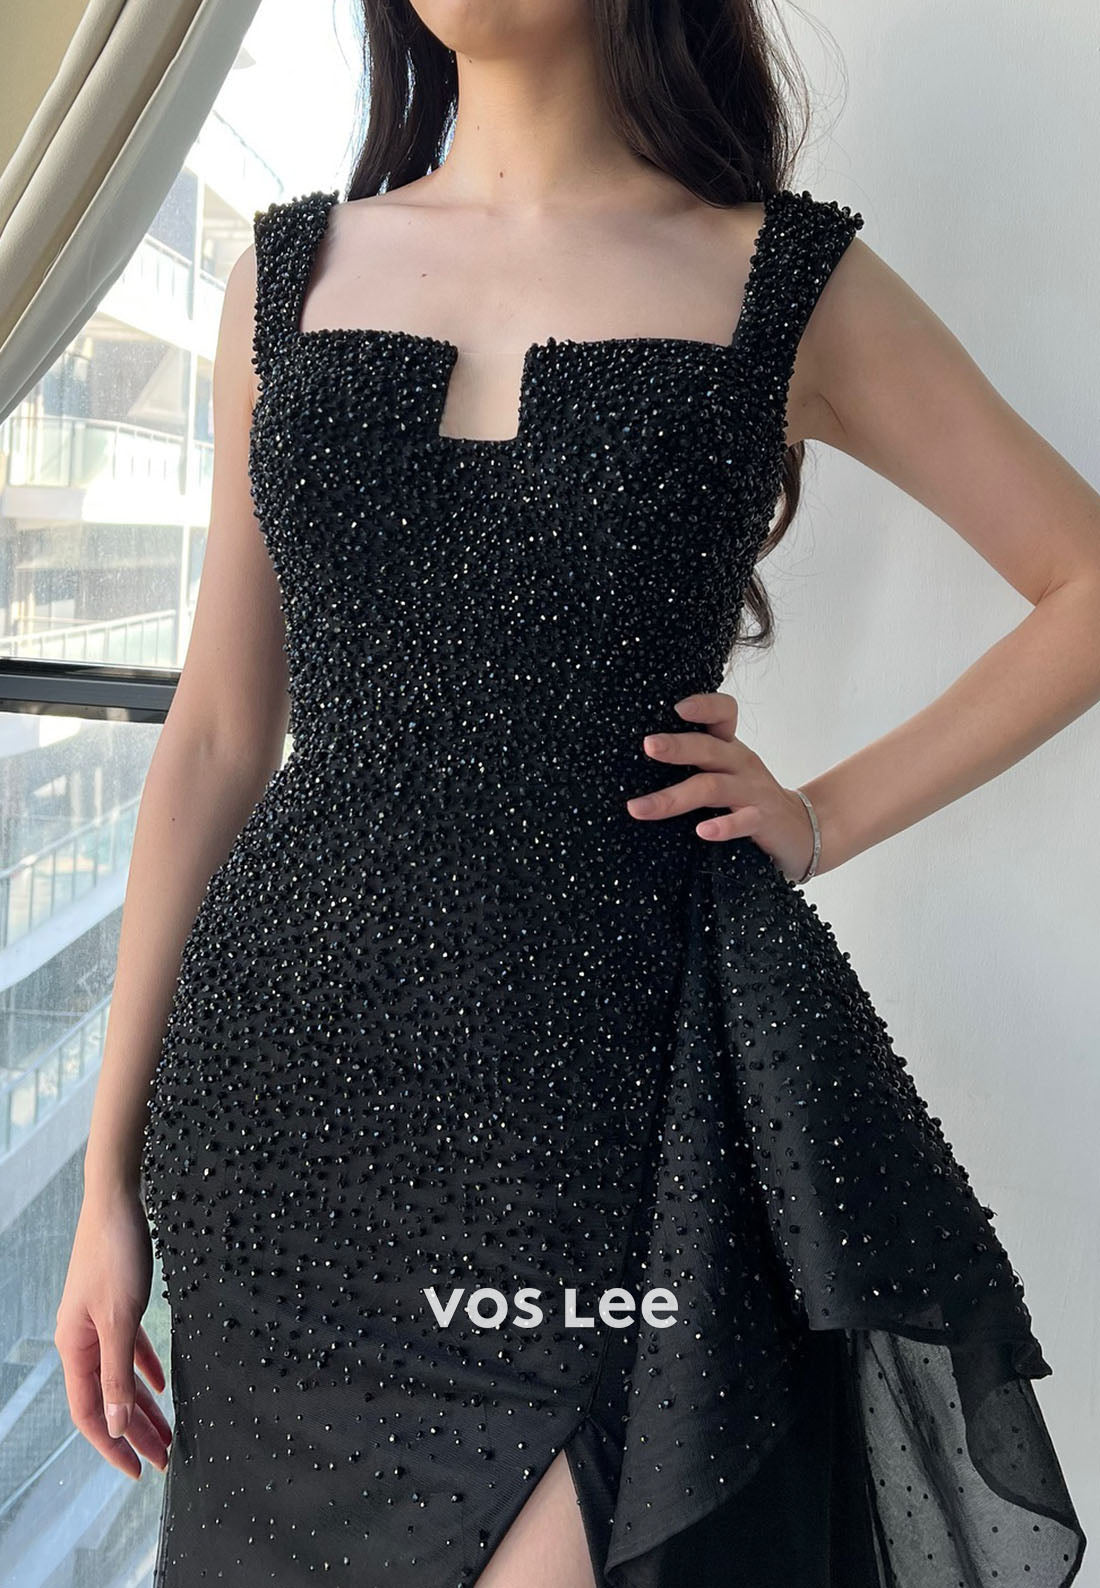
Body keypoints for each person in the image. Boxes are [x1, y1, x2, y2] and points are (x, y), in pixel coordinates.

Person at [55, 3, 1095, 1586]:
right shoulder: (285, 273)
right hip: (281, 1144)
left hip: (611, 1137)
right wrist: (104, 1180)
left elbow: (1084, 582)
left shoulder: (782, 277)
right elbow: (214, 736)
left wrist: (821, 815)